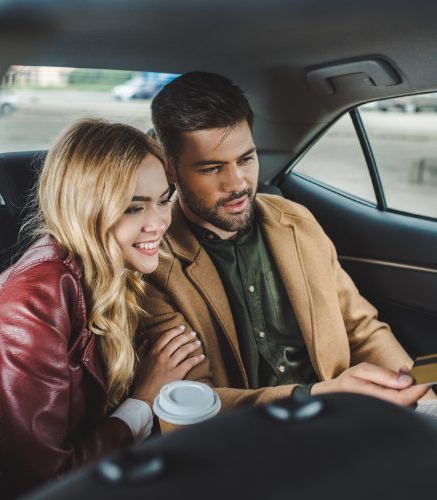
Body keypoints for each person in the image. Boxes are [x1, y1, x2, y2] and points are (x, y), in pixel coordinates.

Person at [0, 119, 204, 499]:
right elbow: (47, 480)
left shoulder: (112, 272)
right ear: (86, 209)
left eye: (163, 199)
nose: (160, 222)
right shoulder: (29, 305)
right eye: (133, 207)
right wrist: (143, 400)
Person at [142, 71, 431, 410]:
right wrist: (315, 396)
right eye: (211, 168)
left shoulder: (296, 221)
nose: (238, 184)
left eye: (246, 159)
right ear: (170, 171)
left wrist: (424, 402)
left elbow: (362, 328)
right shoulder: (155, 266)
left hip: (344, 420)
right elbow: (192, 399)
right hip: (252, 440)